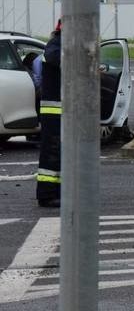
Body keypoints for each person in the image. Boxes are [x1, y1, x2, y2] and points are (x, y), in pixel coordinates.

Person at [36, 19, 63, 208]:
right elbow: (57, 59)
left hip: (60, 110)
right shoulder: (56, 45)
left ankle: (58, 192)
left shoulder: (60, 43)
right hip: (53, 110)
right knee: (52, 153)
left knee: (60, 153)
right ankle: (46, 195)